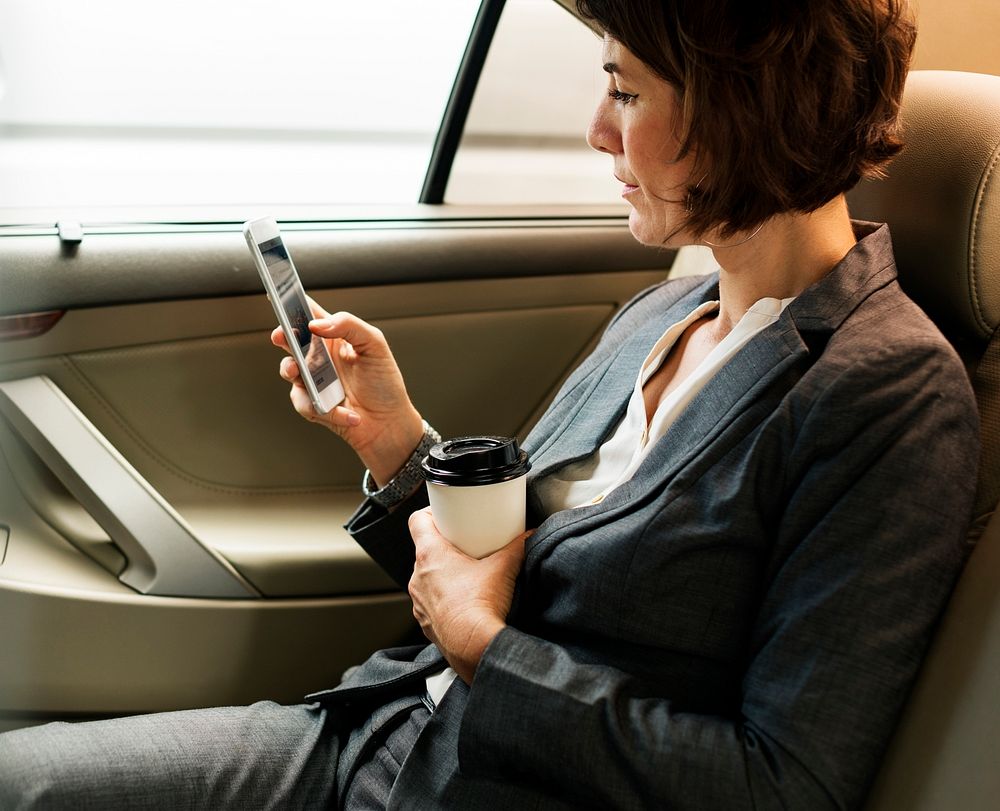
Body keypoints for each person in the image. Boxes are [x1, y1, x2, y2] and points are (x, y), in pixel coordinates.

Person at [0, 0, 979, 808]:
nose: (596, 131)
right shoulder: (664, 310)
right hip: (380, 733)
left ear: (745, 108)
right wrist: (398, 447)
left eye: (623, 91)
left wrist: (486, 651)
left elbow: (782, 785)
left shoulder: (888, 392)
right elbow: (527, 564)